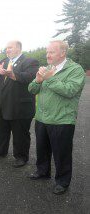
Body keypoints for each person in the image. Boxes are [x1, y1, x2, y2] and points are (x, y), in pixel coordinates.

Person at [28, 40, 85, 195]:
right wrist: (38, 80)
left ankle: (62, 181)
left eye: (51, 52)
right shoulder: (47, 69)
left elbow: (70, 90)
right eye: (47, 52)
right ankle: (42, 171)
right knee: (42, 149)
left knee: (62, 153)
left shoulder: (75, 70)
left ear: (62, 53)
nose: (48, 55)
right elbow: (32, 89)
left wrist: (49, 78)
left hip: (62, 120)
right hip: (41, 118)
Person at [0, 40, 39, 167]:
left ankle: (21, 156)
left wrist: (11, 74)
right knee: (0, 130)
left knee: (20, 133)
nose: (7, 50)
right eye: (6, 48)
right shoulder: (4, 61)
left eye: (10, 47)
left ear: (18, 48)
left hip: (19, 106)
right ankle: (0, 150)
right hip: (0, 104)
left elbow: (29, 77)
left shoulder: (30, 62)